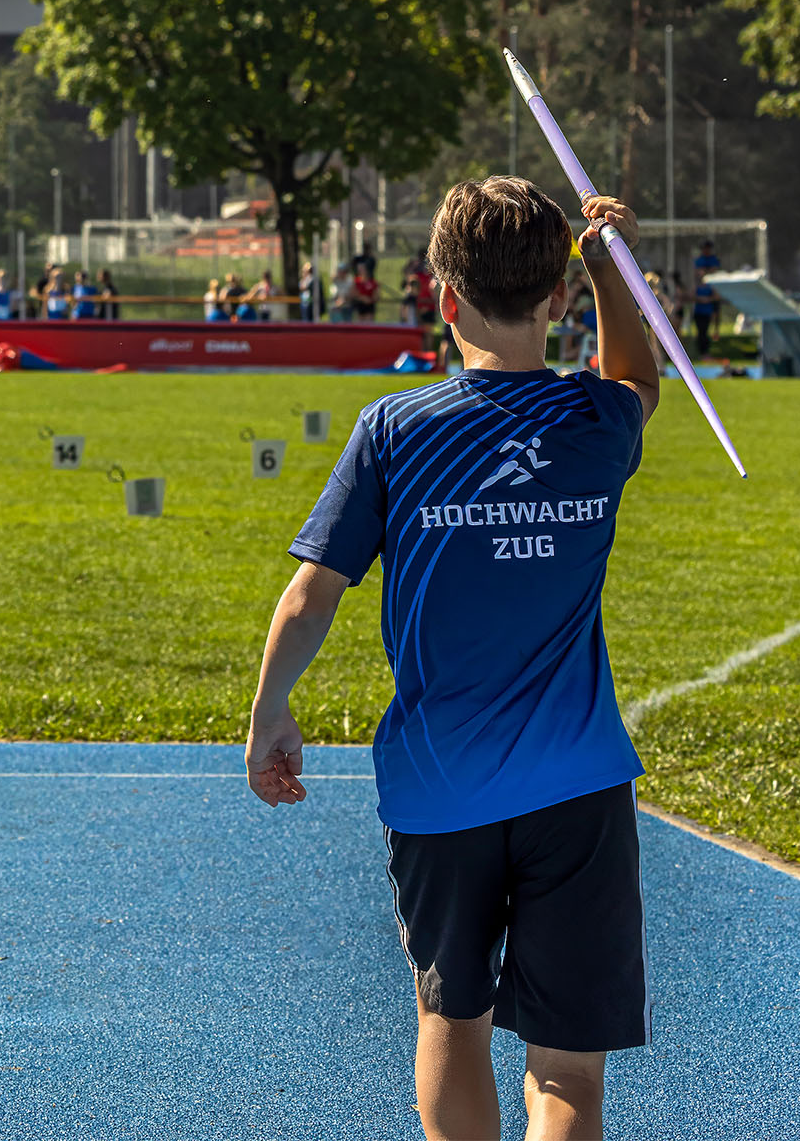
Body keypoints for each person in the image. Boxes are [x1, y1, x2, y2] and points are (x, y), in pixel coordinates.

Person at [245, 178, 658, 1141]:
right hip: (577, 787)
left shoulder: (394, 430)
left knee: (451, 1019)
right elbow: (638, 377)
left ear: (441, 297)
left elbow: (312, 593)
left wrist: (270, 711)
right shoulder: (596, 426)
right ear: (556, 302)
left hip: (440, 788)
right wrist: (612, 271)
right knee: (565, 1072)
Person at [691, 271, 720, 358]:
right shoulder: (697, 286)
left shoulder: (710, 286)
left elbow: (716, 297)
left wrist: (708, 299)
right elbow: (692, 296)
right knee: (700, 332)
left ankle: (705, 352)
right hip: (698, 312)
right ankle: (701, 352)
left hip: (707, 312)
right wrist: (700, 299)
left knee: (705, 332)